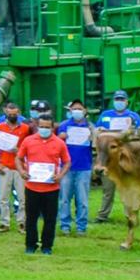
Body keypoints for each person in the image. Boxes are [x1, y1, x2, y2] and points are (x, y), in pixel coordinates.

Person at [17, 113, 70, 254]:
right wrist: (22, 171)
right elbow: (19, 158)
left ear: (52, 128)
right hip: (32, 187)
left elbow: (67, 162)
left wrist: (60, 175)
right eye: (41, 126)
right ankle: (30, 245)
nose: (44, 129)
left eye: (47, 127)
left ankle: (47, 246)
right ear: (37, 126)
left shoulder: (59, 143)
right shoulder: (28, 141)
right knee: (31, 219)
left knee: (50, 219)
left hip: (51, 188)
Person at [95, 90, 140, 223]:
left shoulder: (133, 116)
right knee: (108, 190)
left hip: (125, 159)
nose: (119, 102)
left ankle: (129, 215)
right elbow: (98, 132)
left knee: (127, 188)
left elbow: (139, 136)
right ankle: (102, 215)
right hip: (108, 160)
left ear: (127, 102)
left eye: (122, 100)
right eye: (117, 99)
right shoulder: (105, 115)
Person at [57, 100, 93, 236]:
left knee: (82, 200)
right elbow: (57, 145)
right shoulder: (64, 126)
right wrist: (61, 138)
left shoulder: (90, 127)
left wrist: (92, 136)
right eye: (74, 109)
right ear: (70, 111)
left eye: (79, 108)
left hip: (84, 168)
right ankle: (65, 225)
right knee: (65, 198)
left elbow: (96, 146)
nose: (77, 111)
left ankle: (81, 227)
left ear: (84, 110)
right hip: (66, 168)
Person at [0, 101, 31, 233]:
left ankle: (22, 222)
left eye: (15, 114)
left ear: (18, 113)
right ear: (6, 113)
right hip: (4, 166)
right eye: (10, 114)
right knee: (3, 197)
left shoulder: (25, 129)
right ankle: (4, 222)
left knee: (22, 197)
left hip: (20, 167)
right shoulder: (0, 127)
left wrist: (18, 150)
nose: (12, 116)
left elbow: (29, 147)